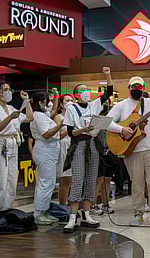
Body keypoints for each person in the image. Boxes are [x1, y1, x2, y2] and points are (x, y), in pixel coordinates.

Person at [107, 74, 150, 226]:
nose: (137, 89)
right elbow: (107, 122)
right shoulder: (121, 105)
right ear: (128, 88)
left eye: (139, 86)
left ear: (143, 88)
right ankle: (138, 214)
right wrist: (122, 129)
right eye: (134, 86)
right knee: (136, 183)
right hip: (131, 150)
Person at [63, 67, 114, 233]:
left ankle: (86, 213)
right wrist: (83, 130)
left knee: (91, 180)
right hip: (79, 144)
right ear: (76, 95)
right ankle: (72, 216)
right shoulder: (71, 108)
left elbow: (109, 92)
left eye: (87, 89)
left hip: (93, 144)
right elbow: (70, 132)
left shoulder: (94, 105)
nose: (85, 92)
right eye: (82, 90)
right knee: (77, 179)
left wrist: (107, 75)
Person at [0, 82, 33, 231]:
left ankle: (5, 216)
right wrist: (10, 118)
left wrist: (27, 101)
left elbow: (30, 118)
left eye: (9, 89)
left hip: (13, 144)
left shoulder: (11, 108)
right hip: (0, 144)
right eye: (5, 90)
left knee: (11, 183)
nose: (9, 92)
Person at [30, 91, 66, 225]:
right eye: (47, 100)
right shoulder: (37, 115)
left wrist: (56, 96)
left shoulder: (44, 115)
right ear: (40, 103)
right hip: (44, 150)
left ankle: (44, 210)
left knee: (49, 182)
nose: (50, 103)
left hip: (51, 150)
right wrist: (60, 125)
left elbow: (53, 110)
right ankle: (39, 213)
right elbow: (46, 134)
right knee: (45, 182)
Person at [92, 100, 117, 216]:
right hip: (98, 153)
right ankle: (93, 205)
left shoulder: (112, 121)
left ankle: (106, 204)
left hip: (110, 153)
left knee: (107, 179)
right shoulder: (95, 121)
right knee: (98, 180)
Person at [57, 94, 76, 205]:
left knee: (74, 179)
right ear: (61, 104)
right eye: (67, 100)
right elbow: (57, 135)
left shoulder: (75, 116)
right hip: (64, 146)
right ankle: (62, 205)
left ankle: (71, 204)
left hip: (74, 145)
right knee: (65, 178)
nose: (69, 102)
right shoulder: (59, 117)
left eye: (71, 100)